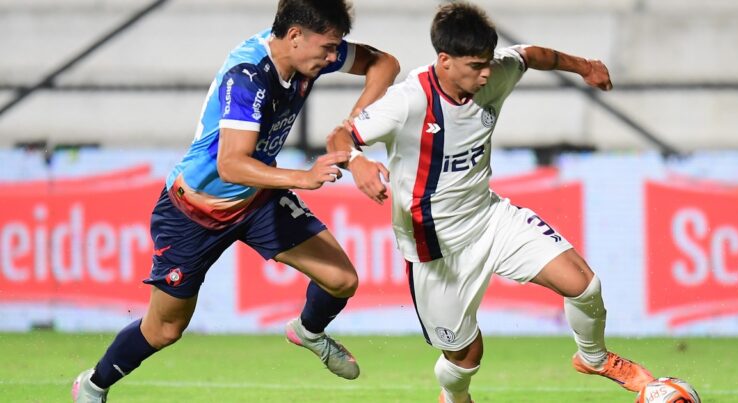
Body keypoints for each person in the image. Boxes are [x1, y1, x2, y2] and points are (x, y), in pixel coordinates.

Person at [71, 0, 399, 401]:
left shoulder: (307, 52)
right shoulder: (248, 77)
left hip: (256, 200)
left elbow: (385, 64)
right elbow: (230, 164)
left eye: (336, 49)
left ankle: (308, 331)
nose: (333, 58)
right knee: (164, 330)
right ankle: (93, 385)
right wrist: (303, 177)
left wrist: (350, 129)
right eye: (328, 48)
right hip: (193, 210)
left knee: (342, 280)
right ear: (295, 35)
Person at [327, 2, 654, 402]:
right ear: (444, 61)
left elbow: (533, 55)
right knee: (465, 355)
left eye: (487, 63)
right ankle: (454, 397)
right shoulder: (407, 101)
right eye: (475, 66)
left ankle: (595, 358)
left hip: (489, 218)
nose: (486, 74)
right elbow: (339, 138)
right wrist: (358, 162)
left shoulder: (496, 73)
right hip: (435, 249)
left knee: (583, 284)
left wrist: (585, 65)